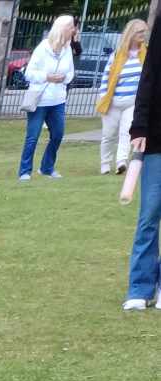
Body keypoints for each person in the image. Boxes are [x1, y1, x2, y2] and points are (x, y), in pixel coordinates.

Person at [122, 17, 161, 307]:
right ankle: (140, 287)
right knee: (149, 213)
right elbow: (150, 74)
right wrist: (139, 127)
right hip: (158, 138)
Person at [17, 16, 75, 181]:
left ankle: (47, 168)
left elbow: (70, 72)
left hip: (58, 100)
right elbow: (29, 73)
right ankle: (25, 171)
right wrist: (47, 77)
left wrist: (63, 78)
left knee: (57, 134)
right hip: (40, 100)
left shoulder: (67, 49)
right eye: (71, 27)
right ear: (62, 29)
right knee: (33, 136)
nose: (74, 30)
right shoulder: (43, 48)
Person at [98, 18, 147, 172]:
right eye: (140, 32)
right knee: (108, 134)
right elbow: (106, 77)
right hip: (113, 101)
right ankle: (105, 163)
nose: (143, 35)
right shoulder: (117, 55)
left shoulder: (145, 54)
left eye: (144, 32)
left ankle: (121, 161)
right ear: (131, 34)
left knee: (126, 132)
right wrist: (103, 96)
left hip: (132, 102)